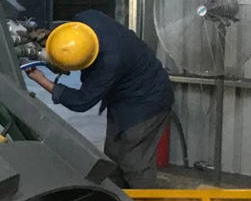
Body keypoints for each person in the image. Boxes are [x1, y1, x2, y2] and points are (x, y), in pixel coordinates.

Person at [26, 9, 173, 188]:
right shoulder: (86, 19)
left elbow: (81, 101)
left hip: (148, 100)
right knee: (113, 156)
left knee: (134, 162)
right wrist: (53, 44)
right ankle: (119, 199)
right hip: (122, 98)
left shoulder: (110, 62)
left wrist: (42, 80)